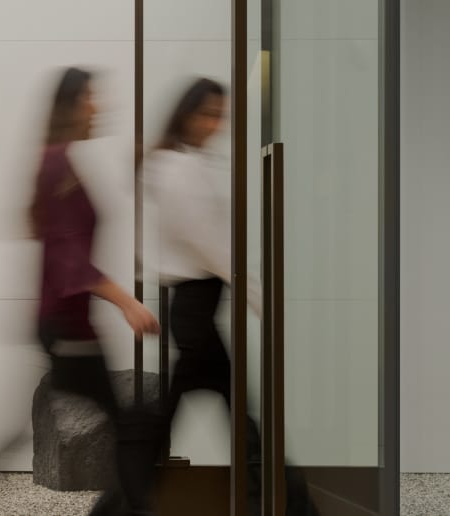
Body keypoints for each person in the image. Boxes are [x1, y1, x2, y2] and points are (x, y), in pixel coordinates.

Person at [0, 67, 160, 516]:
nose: (98, 105)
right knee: (125, 425)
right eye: (90, 97)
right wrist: (128, 303)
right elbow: (71, 261)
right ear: (70, 105)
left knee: (22, 424)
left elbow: (40, 231)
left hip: (58, 319)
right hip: (68, 324)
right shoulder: (59, 164)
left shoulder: (57, 161)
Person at [140, 77, 318, 516]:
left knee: (196, 416)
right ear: (186, 114)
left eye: (219, 115)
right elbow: (210, 246)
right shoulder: (174, 167)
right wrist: (257, 294)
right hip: (195, 307)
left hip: (197, 306)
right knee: (240, 418)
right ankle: (288, 504)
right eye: (207, 114)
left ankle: (127, 496)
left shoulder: (185, 163)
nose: (215, 123)